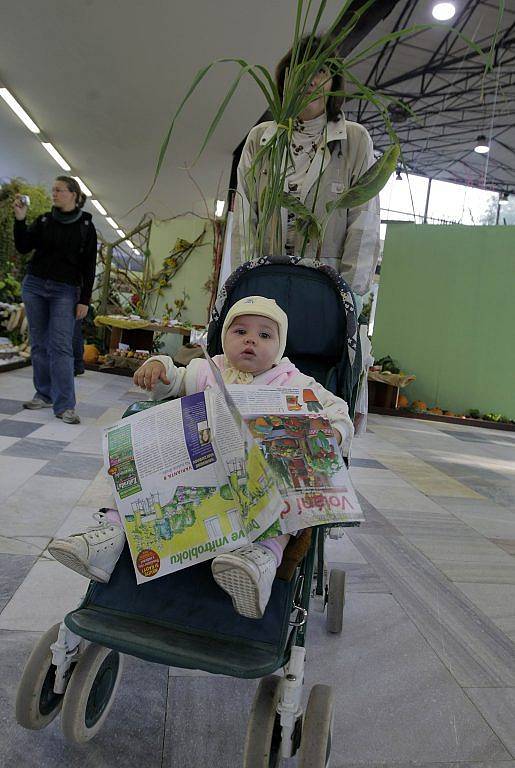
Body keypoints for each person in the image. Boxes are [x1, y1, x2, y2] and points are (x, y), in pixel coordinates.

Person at [49, 296, 353, 619]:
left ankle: (262, 560)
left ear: (280, 347)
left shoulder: (294, 382)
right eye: (240, 331)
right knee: (136, 451)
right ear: (224, 338)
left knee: (291, 481)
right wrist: (160, 368)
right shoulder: (210, 369)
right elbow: (176, 379)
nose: (251, 340)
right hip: (199, 487)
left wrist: (331, 432)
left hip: (253, 496)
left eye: (265, 335)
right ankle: (110, 536)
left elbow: (338, 412)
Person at [230, 35, 381, 306]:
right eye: (299, 71)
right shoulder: (261, 139)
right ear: (285, 80)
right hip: (265, 286)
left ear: (334, 82)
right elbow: (244, 219)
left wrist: (349, 299)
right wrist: (243, 284)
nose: (309, 80)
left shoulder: (355, 141)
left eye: (320, 71)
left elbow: (364, 223)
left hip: (326, 291)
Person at [13, 176, 97, 423]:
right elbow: (23, 246)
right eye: (53, 190)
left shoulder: (85, 226)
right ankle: (44, 393)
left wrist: (84, 299)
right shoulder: (45, 220)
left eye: (59, 190)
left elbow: (89, 265)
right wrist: (20, 219)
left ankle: (65, 405)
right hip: (35, 285)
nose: (54, 194)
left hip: (65, 291)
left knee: (60, 346)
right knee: (39, 343)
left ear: (73, 194)